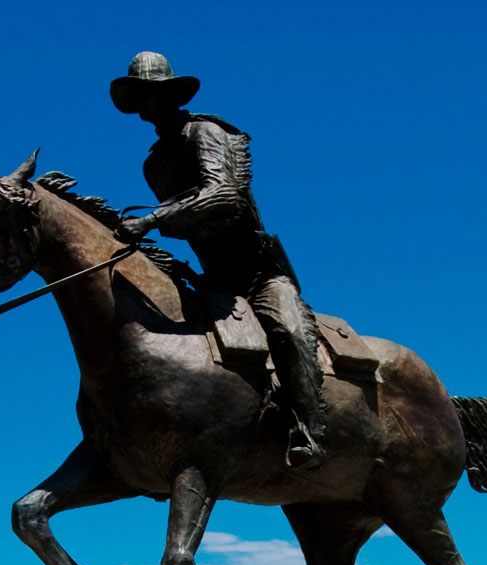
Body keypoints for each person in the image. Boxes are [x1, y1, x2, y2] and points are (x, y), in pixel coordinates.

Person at [110, 51, 327, 469]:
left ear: (170, 94)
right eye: (138, 96)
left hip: (259, 273)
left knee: (287, 329)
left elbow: (222, 195)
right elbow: (188, 223)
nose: (145, 104)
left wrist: (152, 220)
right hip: (215, 279)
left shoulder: (205, 132)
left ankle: (309, 433)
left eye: (150, 93)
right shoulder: (154, 164)